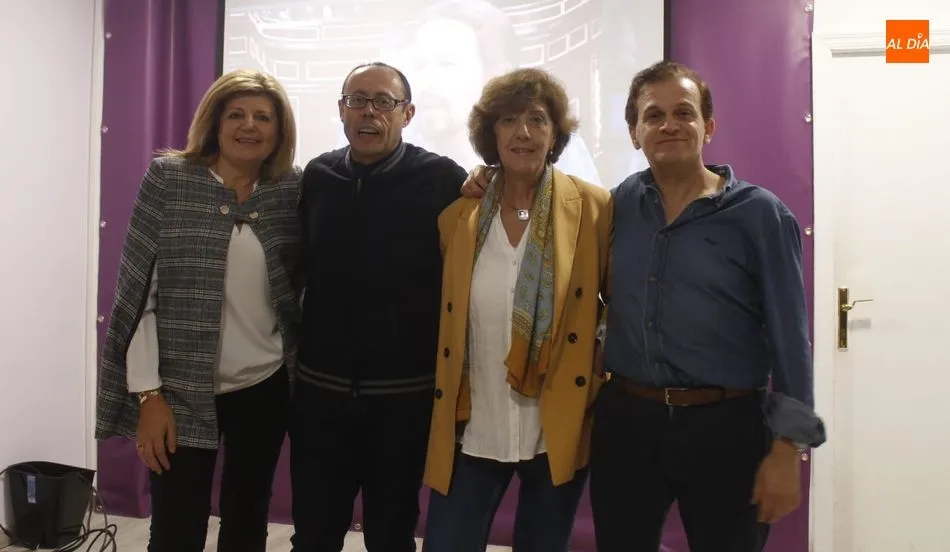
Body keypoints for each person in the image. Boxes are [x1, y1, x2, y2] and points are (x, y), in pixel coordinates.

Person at [460, 60, 826, 551]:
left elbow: (790, 340)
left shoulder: (760, 215)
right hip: (629, 423)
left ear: (708, 126)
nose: (669, 125)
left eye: (684, 113)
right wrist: (487, 180)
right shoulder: (616, 206)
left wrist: (788, 448)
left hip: (727, 429)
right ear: (634, 133)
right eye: (653, 116)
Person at [96, 69, 302, 552]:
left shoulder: (290, 188)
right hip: (178, 389)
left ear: (279, 130)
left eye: (262, 116)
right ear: (215, 121)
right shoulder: (170, 179)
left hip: (264, 384)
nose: (248, 126)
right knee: (176, 526)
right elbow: (139, 297)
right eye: (236, 114)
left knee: (248, 516)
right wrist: (149, 396)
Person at [420, 67, 611, 552]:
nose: (523, 132)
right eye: (508, 120)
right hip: (474, 422)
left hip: (557, 424)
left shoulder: (594, 208)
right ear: (491, 134)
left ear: (555, 135)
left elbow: (615, 306)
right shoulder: (457, 216)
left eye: (537, 119)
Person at [289, 62, 468, 552]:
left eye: (384, 102)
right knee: (314, 532)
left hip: (404, 398)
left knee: (391, 534)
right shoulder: (318, 177)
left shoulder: (442, 179)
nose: (369, 111)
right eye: (357, 99)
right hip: (320, 394)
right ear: (341, 110)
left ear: (407, 113)